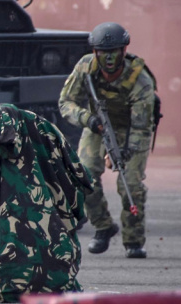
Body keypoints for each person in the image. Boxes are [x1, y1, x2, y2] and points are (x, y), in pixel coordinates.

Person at [58, 22, 157, 259]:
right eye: (103, 52)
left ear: (124, 51)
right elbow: (66, 103)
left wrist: (122, 153)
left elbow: (142, 127)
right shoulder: (85, 68)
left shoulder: (140, 81)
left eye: (114, 52)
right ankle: (103, 226)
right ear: (95, 52)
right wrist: (88, 119)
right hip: (97, 126)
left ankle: (133, 241)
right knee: (84, 175)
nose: (109, 58)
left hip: (132, 130)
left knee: (129, 184)